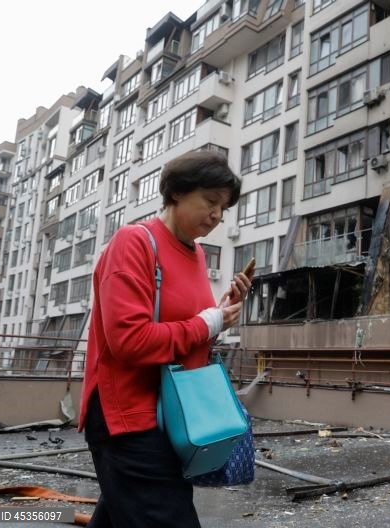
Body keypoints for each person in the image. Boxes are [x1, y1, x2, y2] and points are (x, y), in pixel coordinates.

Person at [78, 150, 250, 527]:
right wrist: (207, 323)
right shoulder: (134, 243)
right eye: (210, 201)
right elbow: (129, 340)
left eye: (224, 207)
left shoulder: (198, 254)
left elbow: (188, 331)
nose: (218, 215)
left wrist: (220, 316)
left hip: (172, 416)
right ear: (176, 192)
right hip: (130, 417)